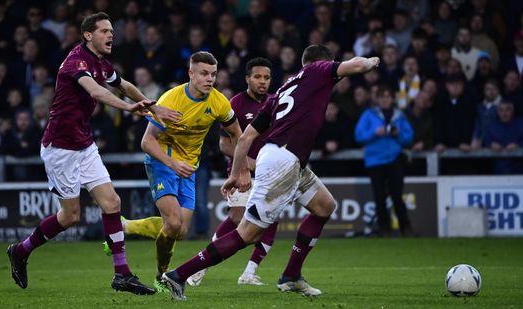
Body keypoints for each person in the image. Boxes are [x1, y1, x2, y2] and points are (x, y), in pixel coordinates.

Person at [160, 45, 380, 301]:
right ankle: (178, 275)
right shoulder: (317, 70)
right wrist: (373, 60)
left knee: (325, 206)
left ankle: (291, 276)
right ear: (321, 63)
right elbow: (356, 65)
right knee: (247, 233)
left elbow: (245, 138)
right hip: (283, 161)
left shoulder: (284, 89)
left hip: (285, 159)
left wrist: (236, 173)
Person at [6, 12, 180, 295]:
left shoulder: (101, 62)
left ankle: (122, 274)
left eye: (112, 30)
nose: (111, 35)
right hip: (60, 148)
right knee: (70, 216)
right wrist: (129, 108)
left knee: (112, 203)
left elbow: (122, 84)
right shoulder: (76, 62)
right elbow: (97, 93)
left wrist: (154, 106)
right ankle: (21, 250)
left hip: (84, 145)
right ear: (88, 35)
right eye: (104, 31)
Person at [112, 51, 244, 292]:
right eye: (204, 73)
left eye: (213, 74)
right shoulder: (171, 99)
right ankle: (162, 276)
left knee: (180, 231)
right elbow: (147, 142)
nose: (209, 79)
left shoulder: (219, 102)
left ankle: (125, 227)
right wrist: (172, 164)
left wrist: (240, 169)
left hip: (188, 167)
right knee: (172, 223)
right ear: (191, 73)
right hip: (162, 160)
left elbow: (237, 133)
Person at [188, 57, 278, 287]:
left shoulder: (274, 103)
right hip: (240, 172)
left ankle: (249, 272)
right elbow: (225, 145)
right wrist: (249, 164)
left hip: (270, 174)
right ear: (247, 78)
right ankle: (202, 265)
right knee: (238, 219)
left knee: (271, 219)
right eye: (257, 77)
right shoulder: (236, 103)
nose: (262, 82)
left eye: (266, 77)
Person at [355, 85, 414, 236]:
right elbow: (359, 135)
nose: (385, 100)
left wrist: (398, 134)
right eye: (382, 97)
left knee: (397, 194)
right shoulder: (369, 114)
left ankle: (405, 227)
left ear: (392, 99)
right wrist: (375, 133)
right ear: (378, 99)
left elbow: (409, 138)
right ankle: (384, 228)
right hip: (375, 160)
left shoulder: (399, 116)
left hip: (394, 159)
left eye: (388, 97)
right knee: (379, 195)